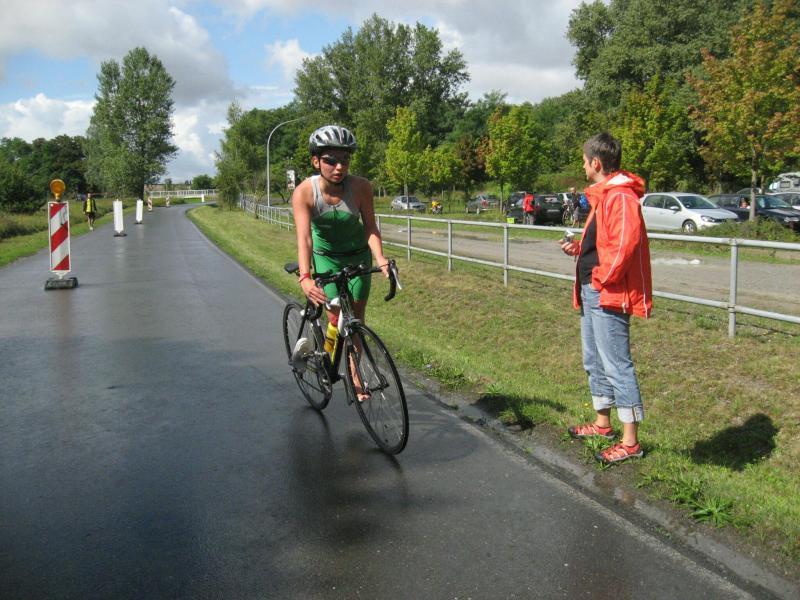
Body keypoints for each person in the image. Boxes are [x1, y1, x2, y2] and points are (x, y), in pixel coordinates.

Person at [559, 132, 652, 465]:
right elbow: (603, 244)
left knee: (616, 365)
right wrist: (578, 249)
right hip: (591, 288)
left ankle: (631, 442)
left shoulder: (621, 196)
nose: (583, 167)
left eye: (584, 162)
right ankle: (602, 424)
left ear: (596, 163)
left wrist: (601, 278)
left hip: (606, 292)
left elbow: (624, 246)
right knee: (595, 361)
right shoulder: (604, 195)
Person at [291, 124, 391, 400]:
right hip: (326, 259)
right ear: (316, 161)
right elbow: (304, 239)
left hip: (358, 256)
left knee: (355, 319)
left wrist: (381, 259)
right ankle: (330, 361)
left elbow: (370, 227)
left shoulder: (361, 187)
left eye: (345, 160)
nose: (339, 167)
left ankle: (354, 373)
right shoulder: (304, 193)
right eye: (330, 160)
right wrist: (305, 277)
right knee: (335, 316)